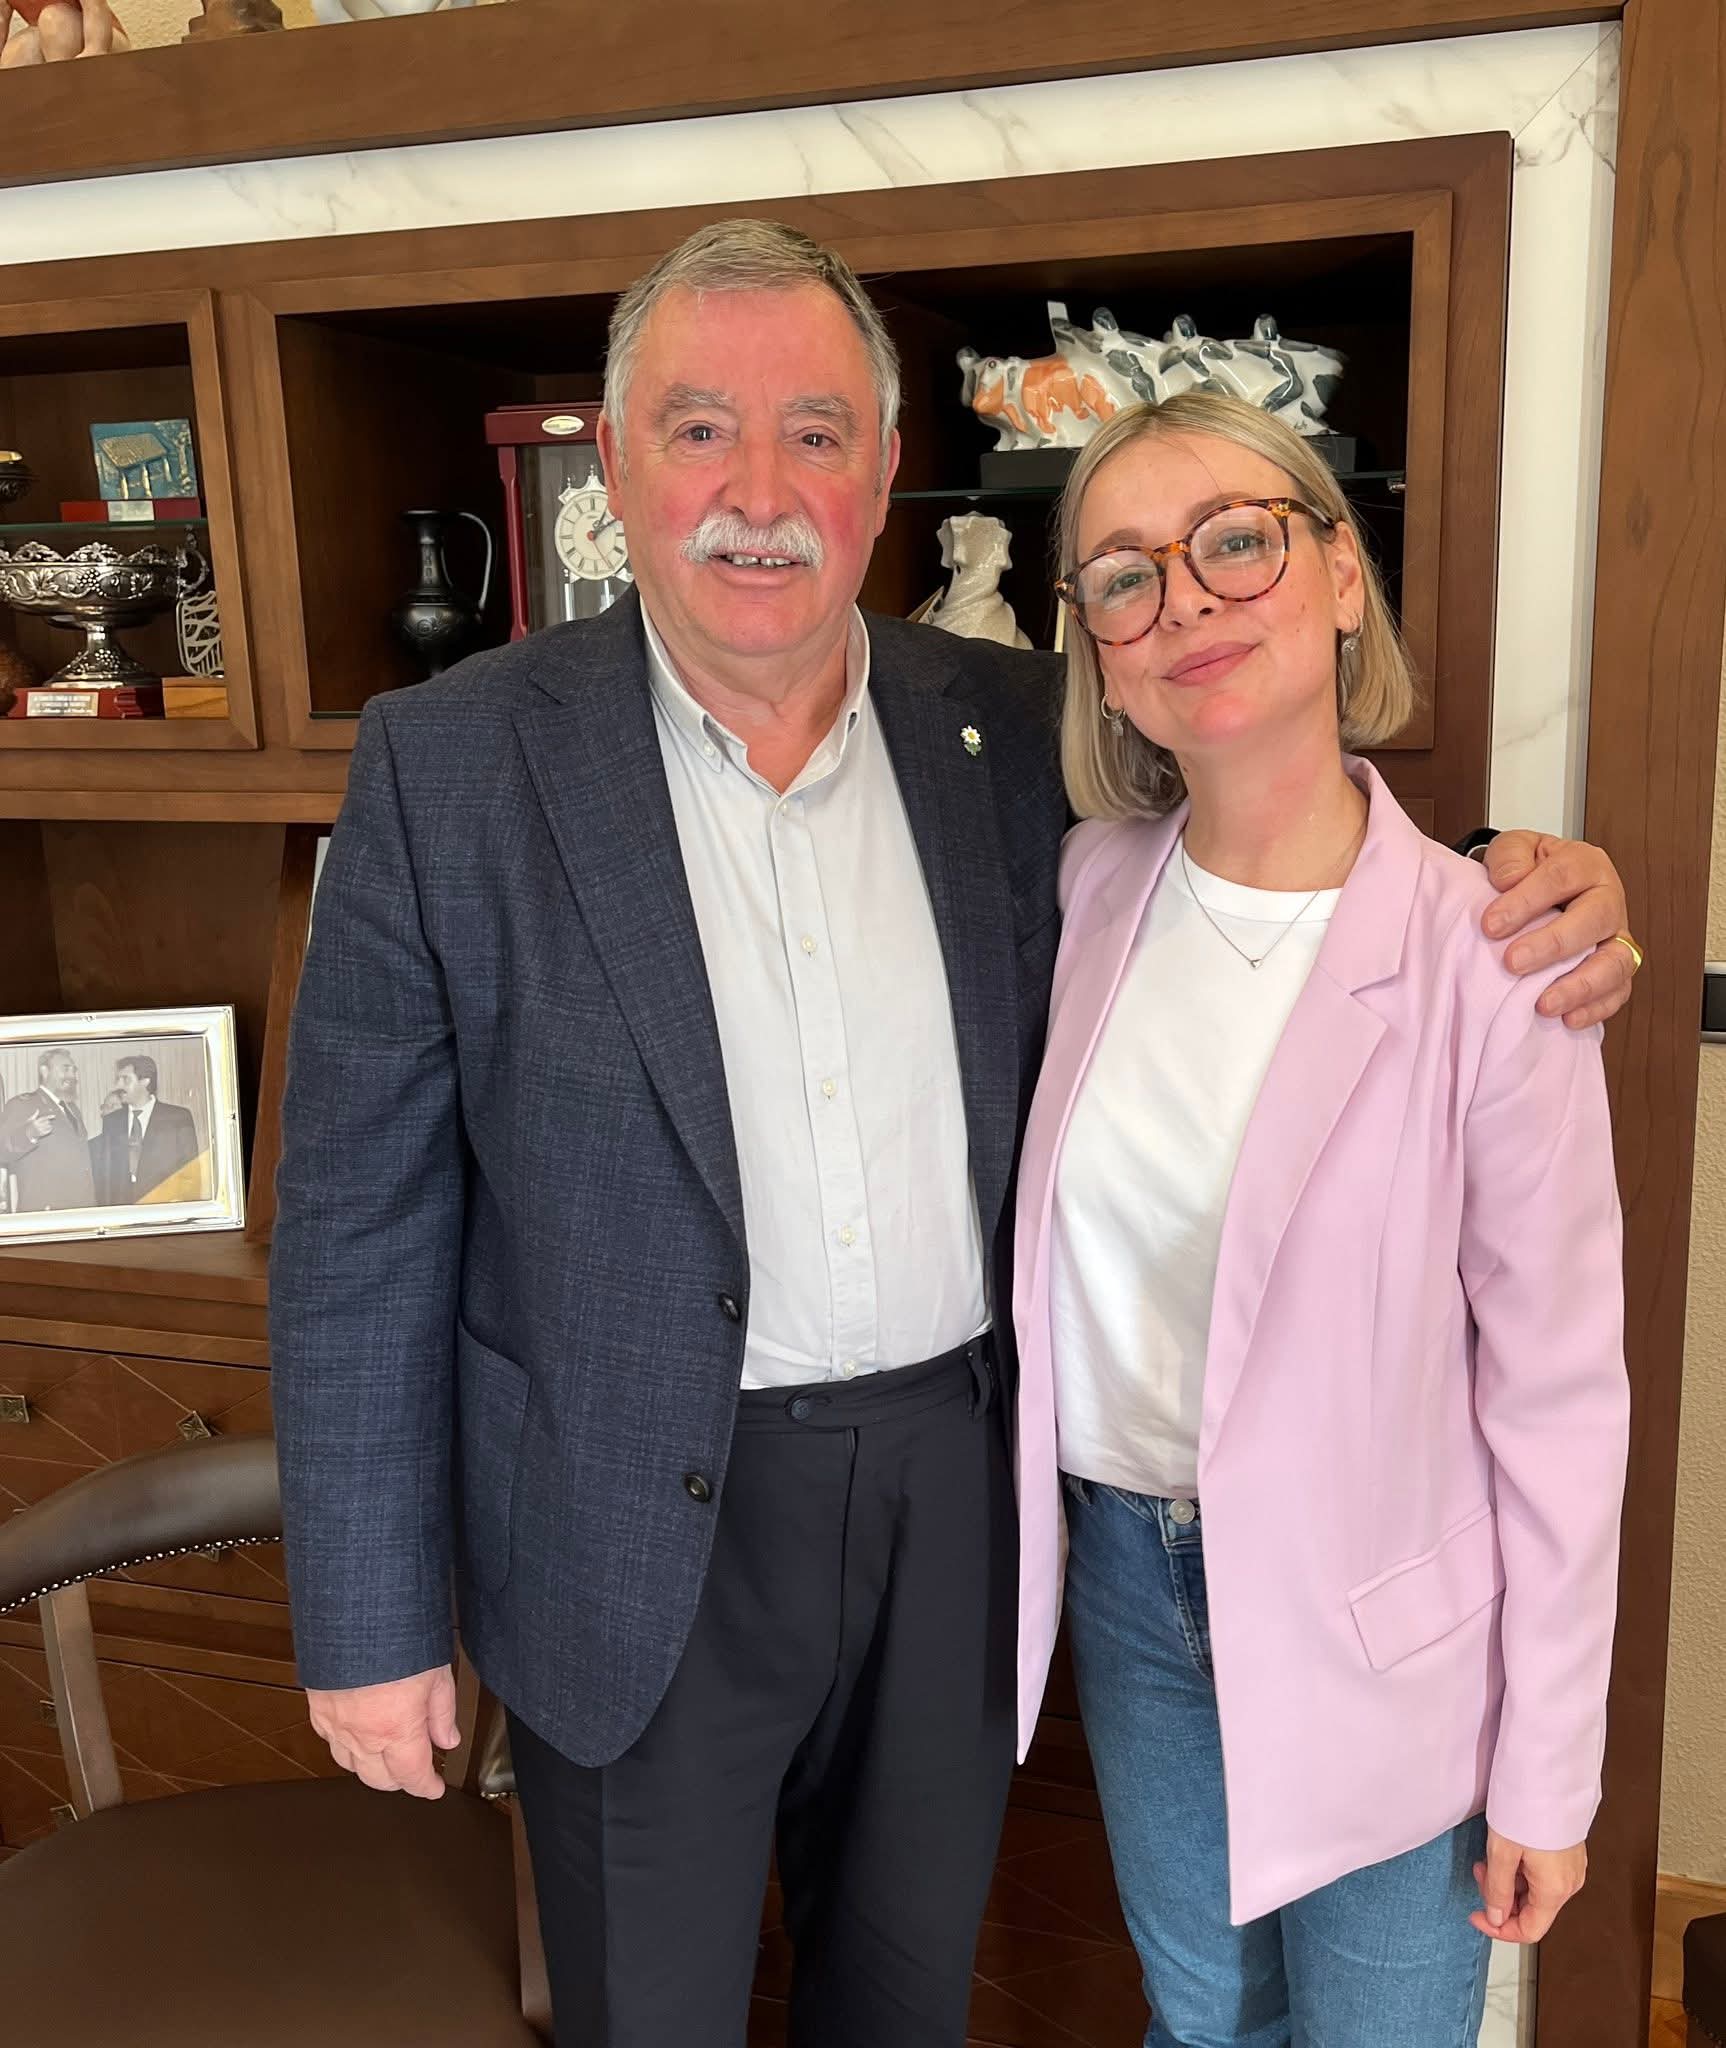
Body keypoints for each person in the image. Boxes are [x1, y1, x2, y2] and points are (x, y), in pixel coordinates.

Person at [269, 220, 1636, 2048]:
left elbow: (1279, 851)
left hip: (957, 1507)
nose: (762, 493)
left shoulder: (994, 735)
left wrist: (1514, 884)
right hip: (623, 1523)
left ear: (887, 466)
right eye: (699, 429)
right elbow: (355, 1228)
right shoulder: (447, 762)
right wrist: (369, 1620)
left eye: (817, 433)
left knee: (904, 2003)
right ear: (613, 461)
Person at [1011, 390, 1633, 2048]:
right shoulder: (1085, 889)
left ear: (1342, 574)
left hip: (1383, 1625)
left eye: (1236, 541)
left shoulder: (1496, 951)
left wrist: (1549, 1769)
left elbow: (1560, 1398)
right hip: (1131, 1586)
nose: (1186, 601)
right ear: (1097, 653)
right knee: (1202, 2024)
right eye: (1124, 575)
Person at [91, 1054, 201, 1205]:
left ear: (145, 1081)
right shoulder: (112, 1121)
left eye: (125, 1079)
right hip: (122, 1211)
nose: (118, 1086)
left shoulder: (178, 1118)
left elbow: (191, 1174)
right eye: (118, 1079)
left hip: (163, 1208)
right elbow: (106, 1177)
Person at [0, 1046, 96, 1212]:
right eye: (65, 1069)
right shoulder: (23, 1104)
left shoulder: (73, 1110)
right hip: (46, 1210)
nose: (72, 1076)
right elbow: (2, 1150)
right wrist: (29, 1133)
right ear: (45, 1071)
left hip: (80, 1208)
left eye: (74, 1070)